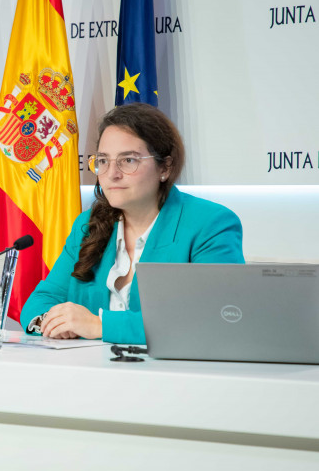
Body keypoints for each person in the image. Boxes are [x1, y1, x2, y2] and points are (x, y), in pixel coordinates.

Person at [20, 103, 245, 344]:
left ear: (165, 168)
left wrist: (99, 325)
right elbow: (41, 301)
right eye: (103, 161)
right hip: (89, 374)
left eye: (128, 160)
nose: (112, 174)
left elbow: (214, 317)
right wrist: (51, 322)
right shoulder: (87, 225)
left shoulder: (210, 224)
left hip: (174, 377)